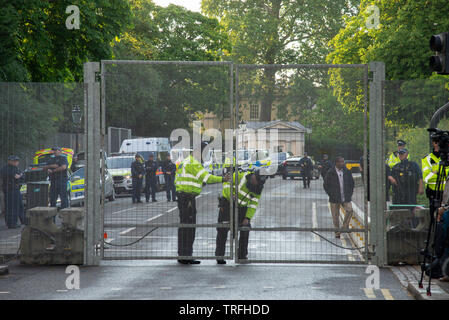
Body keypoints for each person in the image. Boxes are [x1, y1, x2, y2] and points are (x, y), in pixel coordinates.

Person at [174, 141, 230, 265]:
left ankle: (183, 254)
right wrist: (223, 179)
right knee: (189, 227)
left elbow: (177, 179)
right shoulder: (194, 162)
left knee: (184, 226)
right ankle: (186, 256)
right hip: (187, 198)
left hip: (183, 196)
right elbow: (207, 178)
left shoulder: (186, 161)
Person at [215, 169, 266, 264]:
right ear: (254, 176)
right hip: (227, 205)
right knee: (222, 230)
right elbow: (226, 183)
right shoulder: (240, 176)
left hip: (242, 209)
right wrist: (231, 195)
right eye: (256, 180)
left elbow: (253, 204)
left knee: (245, 229)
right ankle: (219, 255)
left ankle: (242, 255)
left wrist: (247, 218)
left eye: (258, 182)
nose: (256, 183)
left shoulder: (258, 187)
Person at [323, 156, 355, 239]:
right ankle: (337, 232)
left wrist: (350, 193)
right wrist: (331, 194)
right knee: (335, 216)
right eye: (340, 162)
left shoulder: (347, 171)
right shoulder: (330, 172)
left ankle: (344, 227)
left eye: (343, 162)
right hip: (334, 198)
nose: (342, 163)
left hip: (346, 196)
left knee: (350, 210)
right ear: (336, 163)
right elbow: (326, 185)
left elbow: (352, 183)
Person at [422, 133, 449, 211]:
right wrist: (443, 173)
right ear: (433, 143)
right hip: (434, 193)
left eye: (440, 141)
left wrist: (435, 172)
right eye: (436, 141)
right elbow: (426, 178)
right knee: (435, 217)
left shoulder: (447, 158)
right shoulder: (427, 159)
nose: (438, 144)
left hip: (447, 193)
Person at [1, 156, 26, 228]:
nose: (16, 162)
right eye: (14, 161)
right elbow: (17, 177)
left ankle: (23, 220)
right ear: (9, 161)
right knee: (12, 207)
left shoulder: (13, 168)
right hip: (11, 189)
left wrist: (20, 176)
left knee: (19, 205)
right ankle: (12, 223)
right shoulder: (8, 169)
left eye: (17, 161)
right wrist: (20, 176)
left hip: (13, 188)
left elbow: (21, 176)